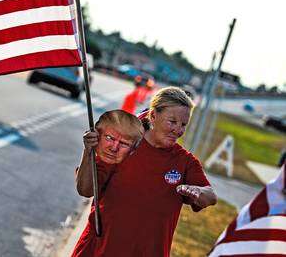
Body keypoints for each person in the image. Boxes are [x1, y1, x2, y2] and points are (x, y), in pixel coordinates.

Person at [72, 86, 217, 257]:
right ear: (153, 116)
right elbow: (85, 190)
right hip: (98, 251)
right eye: (172, 122)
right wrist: (88, 151)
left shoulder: (185, 161)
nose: (178, 130)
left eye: (183, 124)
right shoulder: (123, 144)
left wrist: (199, 191)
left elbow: (211, 197)